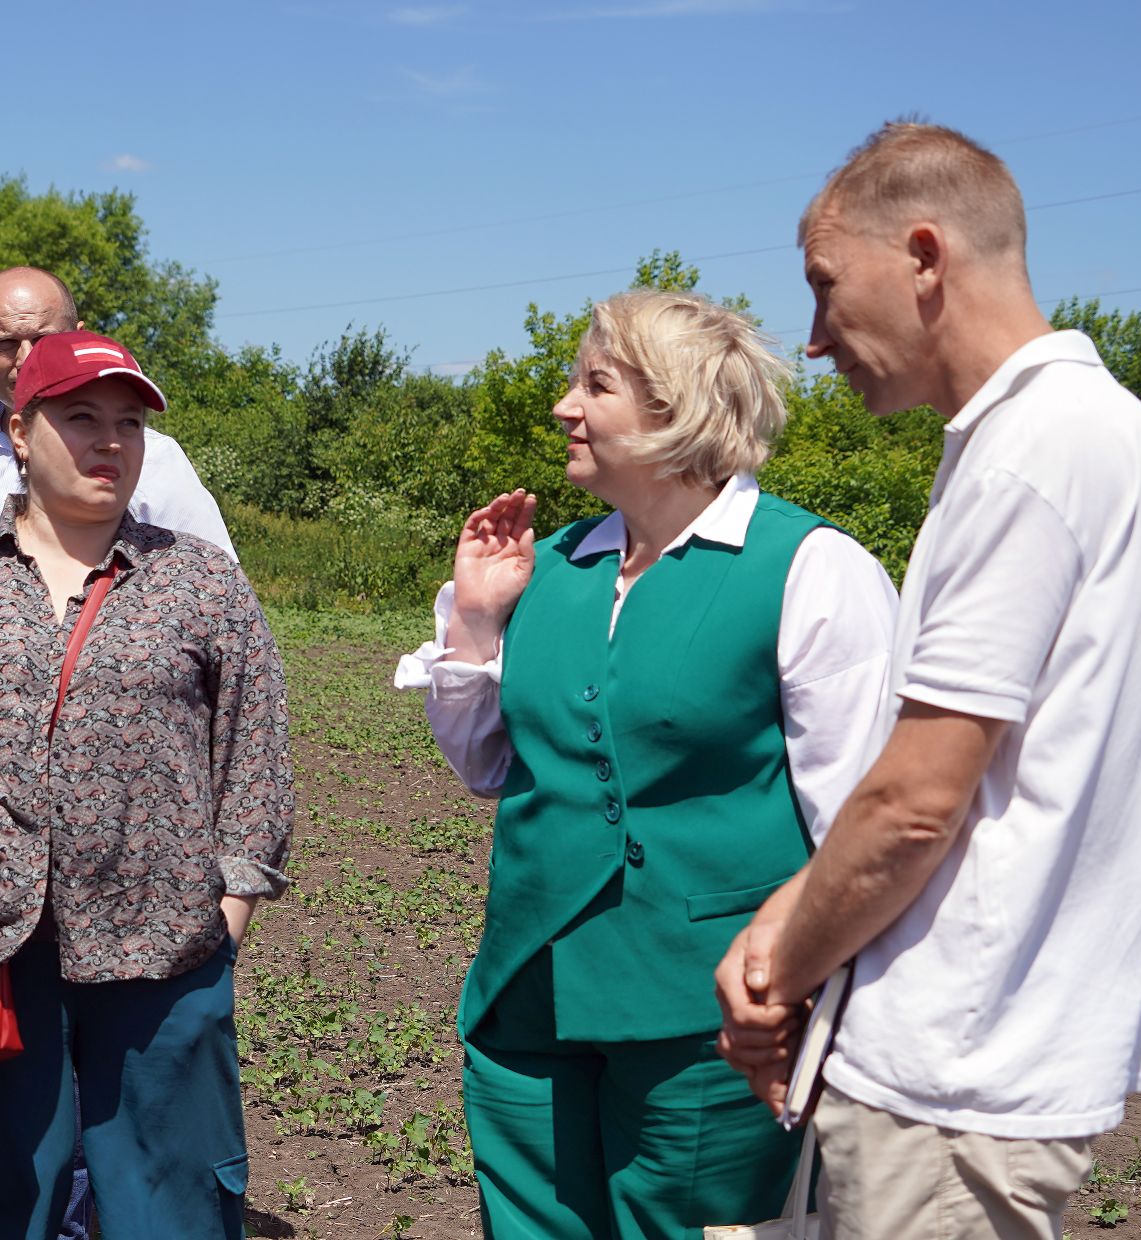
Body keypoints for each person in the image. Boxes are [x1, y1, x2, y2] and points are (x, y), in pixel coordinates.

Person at [715, 121, 1141, 1240]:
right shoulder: (1089, 436)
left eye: (824, 283)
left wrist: (778, 975)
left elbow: (914, 801)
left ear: (925, 256)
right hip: (982, 1059)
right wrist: (791, 916)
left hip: (952, 1076)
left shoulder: (1033, 453)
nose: (812, 338)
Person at [394, 289, 896, 1239]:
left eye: (597, 385)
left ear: (676, 408)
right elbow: (490, 767)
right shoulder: (553, 566)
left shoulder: (812, 569)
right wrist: (476, 624)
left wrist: (822, 1002)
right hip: (529, 990)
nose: (564, 407)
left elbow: (862, 819)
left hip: (711, 1012)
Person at [0, 329, 293, 1240]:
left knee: (173, 1209)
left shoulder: (200, 582)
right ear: (20, 430)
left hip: (164, 958)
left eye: (129, 424)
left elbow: (256, 760)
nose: (109, 443)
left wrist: (224, 923)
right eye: (81, 418)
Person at [0, 264, 234, 653]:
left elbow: (219, 595)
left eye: (44, 340)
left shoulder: (151, 458)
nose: (25, 359)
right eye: (5, 343)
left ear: (78, 338)